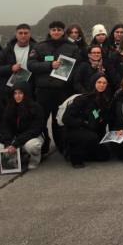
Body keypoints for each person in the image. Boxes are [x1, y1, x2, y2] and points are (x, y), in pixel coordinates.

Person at [27, 20, 80, 156]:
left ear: (63, 32)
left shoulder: (72, 48)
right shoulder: (39, 47)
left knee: (60, 120)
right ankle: (43, 147)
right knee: (41, 120)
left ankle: (62, 147)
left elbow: (77, 68)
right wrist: (49, 65)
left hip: (62, 91)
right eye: (53, 30)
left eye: (59, 30)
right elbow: (31, 65)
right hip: (43, 91)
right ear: (50, 31)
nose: (56, 32)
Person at [63, 72, 112, 168]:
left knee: (105, 156)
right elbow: (66, 118)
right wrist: (84, 123)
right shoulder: (82, 99)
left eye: (104, 83)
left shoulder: (104, 99)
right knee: (91, 137)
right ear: (93, 82)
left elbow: (99, 120)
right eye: (99, 82)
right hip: (77, 130)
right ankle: (74, 157)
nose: (102, 85)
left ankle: (85, 152)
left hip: (92, 132)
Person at [0, 81, 45, 170]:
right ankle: (16, 159)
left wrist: (16, 143)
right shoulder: (10, 107)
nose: (17, 96)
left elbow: (35, 129)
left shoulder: (36, 107)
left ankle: (34, 160)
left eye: (20, 93)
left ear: (26, 93)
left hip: (32, 137)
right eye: (15, 93)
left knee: (32, 146)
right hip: (15, 138)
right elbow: (5, 126)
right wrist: (8, 143)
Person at [0, 24, 36, 103]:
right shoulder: (7, 50)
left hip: (31, 87)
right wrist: (10, 68)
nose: (23, 35)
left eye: (26, 33)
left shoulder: (37, 48)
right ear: (16, 34)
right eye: (20, 33)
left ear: (30, 34)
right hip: (11, 88)